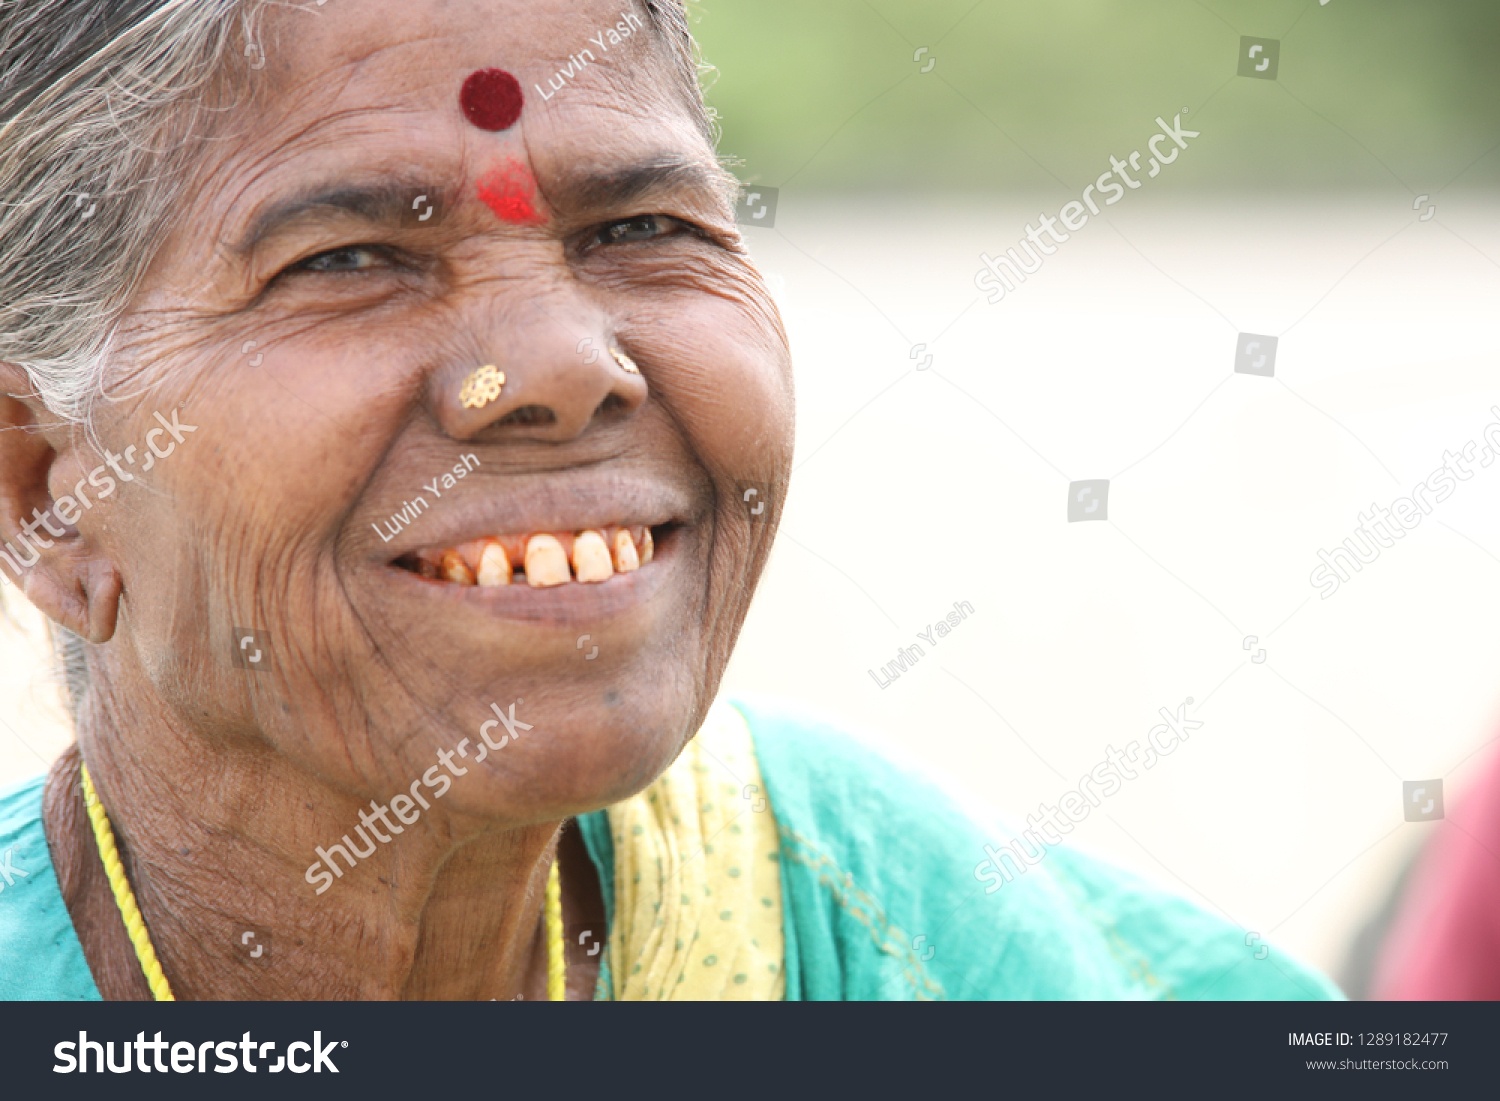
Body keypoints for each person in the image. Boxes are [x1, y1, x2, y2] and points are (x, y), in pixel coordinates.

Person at [0, 0, 1337, 1000]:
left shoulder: (883, 930)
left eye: (639, 232)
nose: (570, 367)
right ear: (47, 489)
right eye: (351, 256)